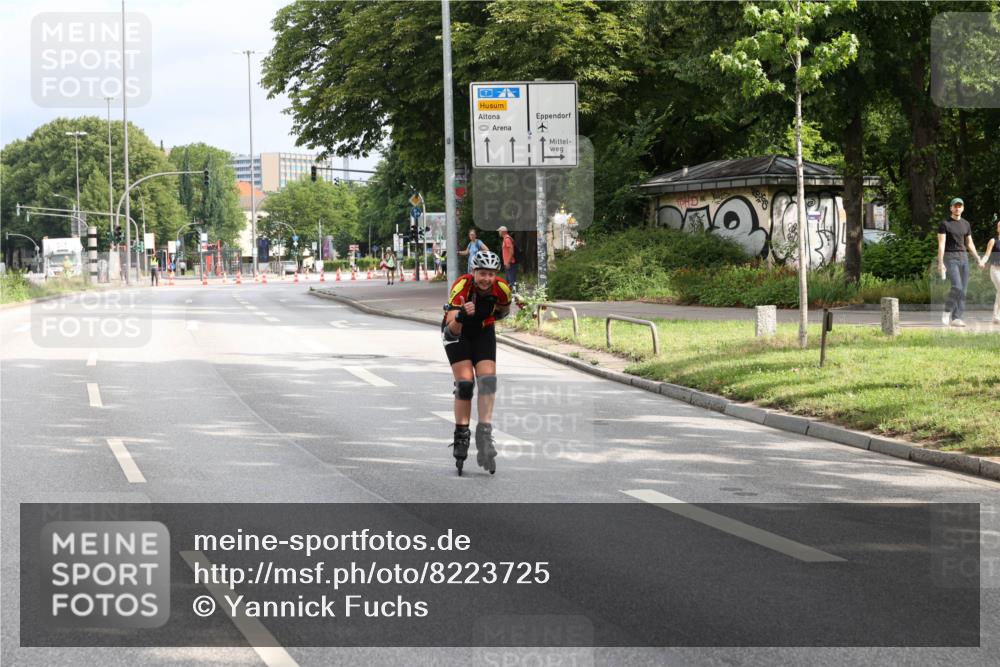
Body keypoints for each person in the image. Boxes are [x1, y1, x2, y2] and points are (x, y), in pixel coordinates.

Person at [441, 250, 512, 475]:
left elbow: (503, 311)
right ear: (474, 272)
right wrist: (462, 314)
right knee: (465, 383)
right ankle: (461, 434)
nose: (486, 279)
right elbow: (451, 328)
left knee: (488, 380)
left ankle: (484, 433)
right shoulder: (462, 286)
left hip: (482, 331)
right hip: (457, 332)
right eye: (482, 273)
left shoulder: (501, 288)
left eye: (490, 274)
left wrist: (490, 314)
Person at [937, 198, 982, 327]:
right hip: (950, 257)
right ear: (951, 208)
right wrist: (940, 263)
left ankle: (957, 318)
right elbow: (941, 244)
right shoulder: (945, 224)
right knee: (957, 286)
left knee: (964, 290)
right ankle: (947, 311)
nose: (957, 208)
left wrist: (977, 258)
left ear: (963, 208)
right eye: (955, 206)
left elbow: (969, 243)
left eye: (960, 206)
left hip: (964, 257)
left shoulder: (966, 224)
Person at [978, 214, 1000, 324]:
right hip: (995, 270)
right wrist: (982, 262)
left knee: (999, 292)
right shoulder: (993, 241)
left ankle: (996, 317)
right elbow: (987, 255)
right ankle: (997, 316)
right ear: (998, 229)